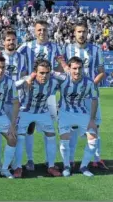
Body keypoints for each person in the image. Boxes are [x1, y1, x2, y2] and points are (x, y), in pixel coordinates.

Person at [17, 20, 64, 171]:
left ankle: (49, 161)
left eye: (44, 29)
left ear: (48, 30)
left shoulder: (55, 46)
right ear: (34, 31)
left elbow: (60, 64)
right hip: (30, 91)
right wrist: (27, 78)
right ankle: (30, 160)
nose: (42, 32)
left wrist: (58, 74)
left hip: (48, 94)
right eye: (39, 30)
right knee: (29, 128)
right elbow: (12, 55)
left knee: (49, 128)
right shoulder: (27, 46)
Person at [63, 21, 108, 169]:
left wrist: (90, 85)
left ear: (88, 32)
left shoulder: (95, 49)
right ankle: (70, 160)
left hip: (90, 95)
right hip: (72, 96)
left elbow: (102, 71)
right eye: (79, 31)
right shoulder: (68, 49)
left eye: (84, 31)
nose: (81, 34)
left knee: (95, 125)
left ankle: (96, 158)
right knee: (72, 127)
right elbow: (63, 68)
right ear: (74, 33)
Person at [14, 59, 62, 178]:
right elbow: (12, 85)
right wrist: (28, 80)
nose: (44, 76)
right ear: (35, 72)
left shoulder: (53, 82)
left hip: (42, 112)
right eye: (41, 73)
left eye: (47, 73)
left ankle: (51, 166)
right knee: (20, 137)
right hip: (25, 112)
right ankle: (18, 167)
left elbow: (69, 78)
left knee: (51, 135)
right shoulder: (27, 80)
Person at [0, 28, 26, 173]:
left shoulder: (22, 58)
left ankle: (12, 162)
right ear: (3, 41)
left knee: (14, 131)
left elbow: (23, 75)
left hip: (15, 100)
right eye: (8, 39)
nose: (11, 42)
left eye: (13, 39)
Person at [56, 56, 99, 177]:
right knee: (64, 140)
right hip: (64, 112)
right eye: (74, 68)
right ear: (69, 69)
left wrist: (91, 120)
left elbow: (95, 100)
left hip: (82, 112)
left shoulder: (89, 82)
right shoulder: (62, 78)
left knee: (93, 138)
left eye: (80, 68)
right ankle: (66, 166)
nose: (77, 71)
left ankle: (84, 166)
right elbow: (48, 73)